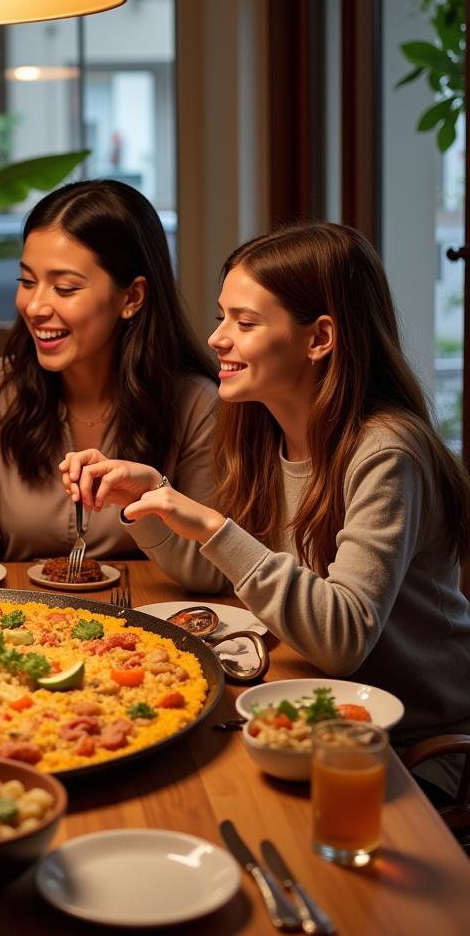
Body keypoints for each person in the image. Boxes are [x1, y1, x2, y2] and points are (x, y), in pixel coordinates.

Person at [63, 222, 470, 781]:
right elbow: (221, 574)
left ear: (319, 338)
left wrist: (207, 522)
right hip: (310, 719)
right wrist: (151, 500)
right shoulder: (266, 429)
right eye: (221, 315)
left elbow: (341, 638)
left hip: (409, 752)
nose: (216, 338)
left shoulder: (386, 451)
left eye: (244, 321)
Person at [0, 178, 224, 591]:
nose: (35, 307)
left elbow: (209, 572)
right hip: (20, 625)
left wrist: (140, 501)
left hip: (146, 624)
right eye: (27, 281)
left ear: (132, 297)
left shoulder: (197, 403)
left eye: (65, 288)